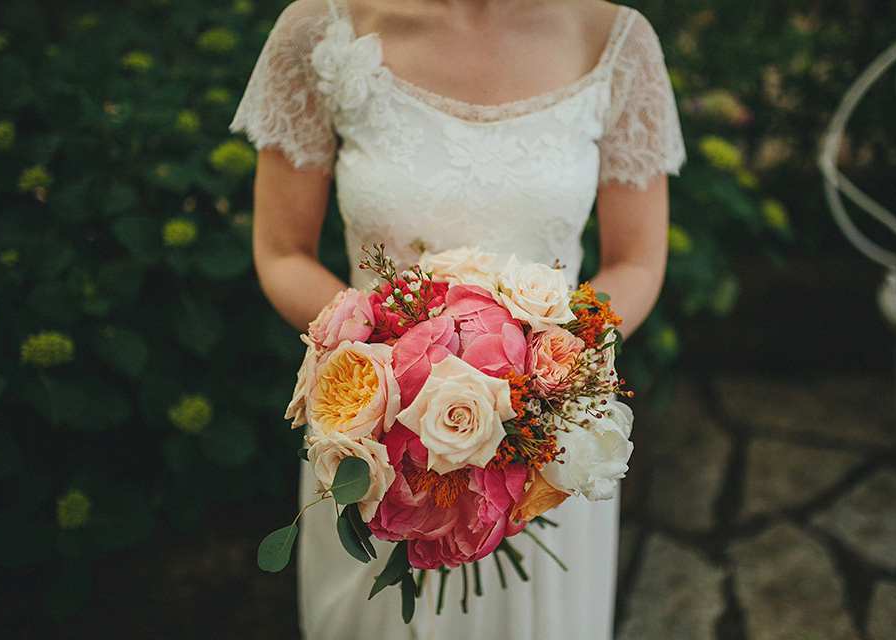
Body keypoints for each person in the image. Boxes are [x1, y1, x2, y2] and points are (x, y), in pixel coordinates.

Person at [230, 0, 684, 637]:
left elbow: (637, 261)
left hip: (547, 444)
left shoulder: (614, 39)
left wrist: (544, 377)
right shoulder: (320, 28)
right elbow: (283, 251)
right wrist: (391, 368)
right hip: (377, 443)